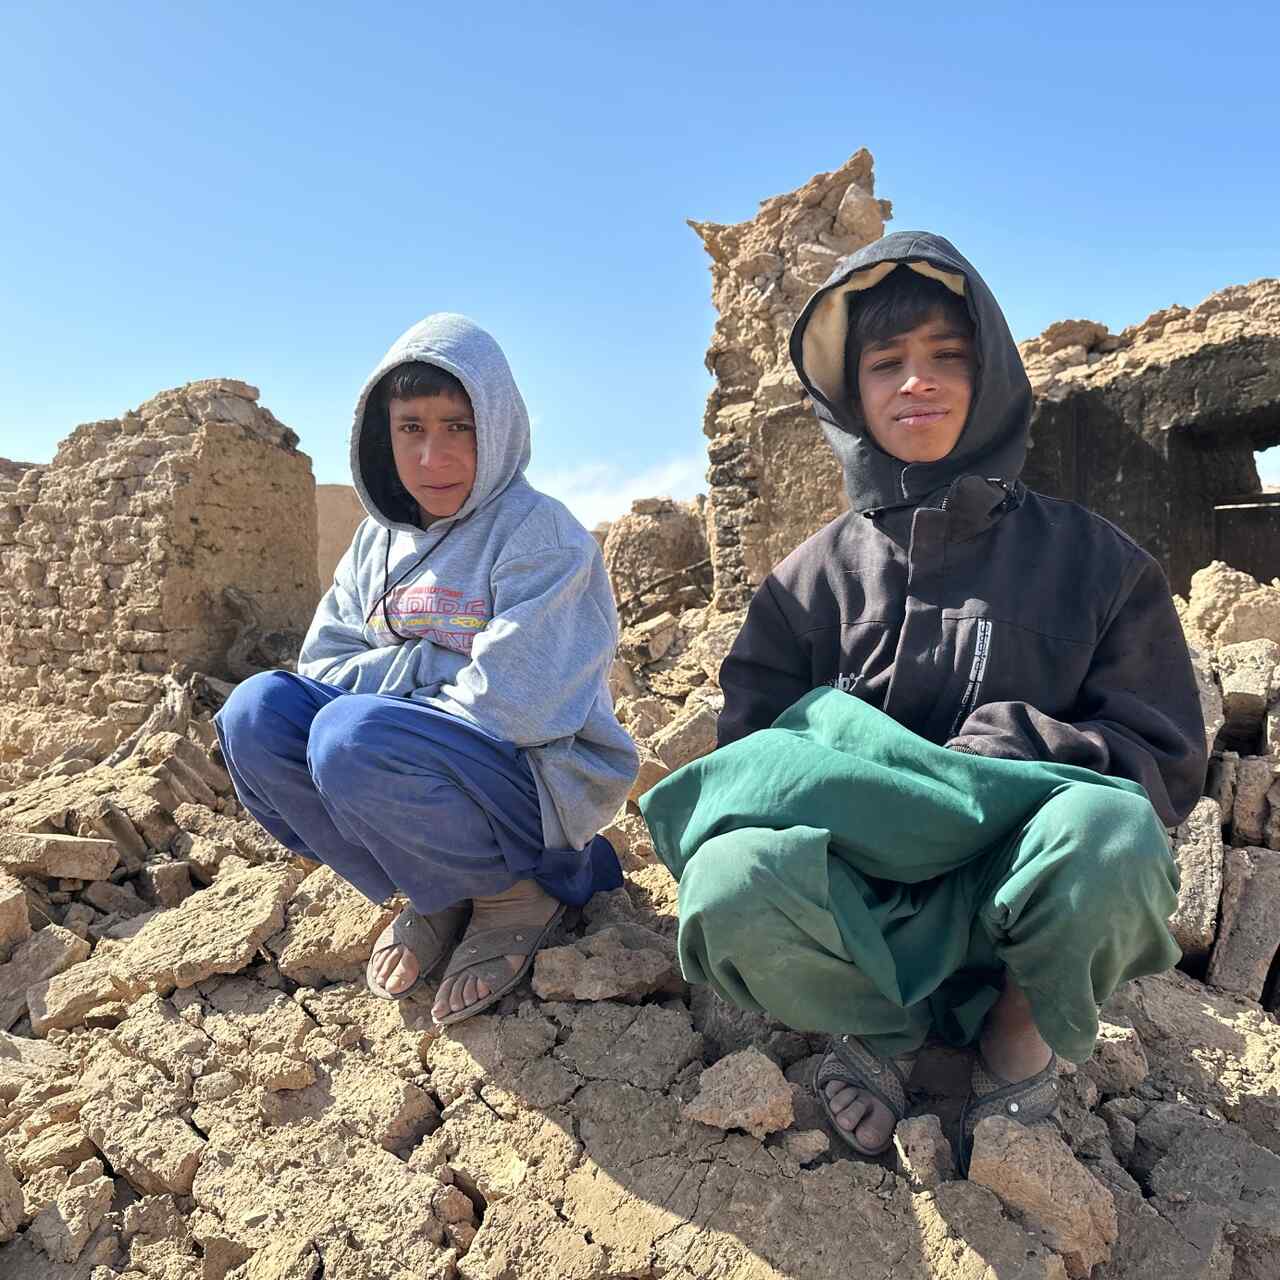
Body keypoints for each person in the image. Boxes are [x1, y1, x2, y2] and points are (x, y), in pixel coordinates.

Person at [639, 231, 1205, 1165]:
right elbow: (753, 759)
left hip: (1022, 891)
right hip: (859, 899)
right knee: (730, 881)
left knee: (1113, 837)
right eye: (886, 362)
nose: (917, 383)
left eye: (948, 356)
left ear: (991, 373)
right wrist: (864, 773)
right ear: (848, 393)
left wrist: (1017, 750)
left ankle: (1017, 1033)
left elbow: (1165, 753)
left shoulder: (1095, 563)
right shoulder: (803, 585)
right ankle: (883, 1027)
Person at [215, 313, 638, 1026]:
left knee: (349, 739)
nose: (432, 458)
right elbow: (321, 665)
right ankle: (439, 889)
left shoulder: (541, 537)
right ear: (383, 431)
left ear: (498, 425)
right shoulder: (374, 544)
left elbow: (516, 704)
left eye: (459, 428)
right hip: (424, 757)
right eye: (412, 428)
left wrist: (385, 695)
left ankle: (515, 892)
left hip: (535, 780)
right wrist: (440, 657)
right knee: (254, 716)